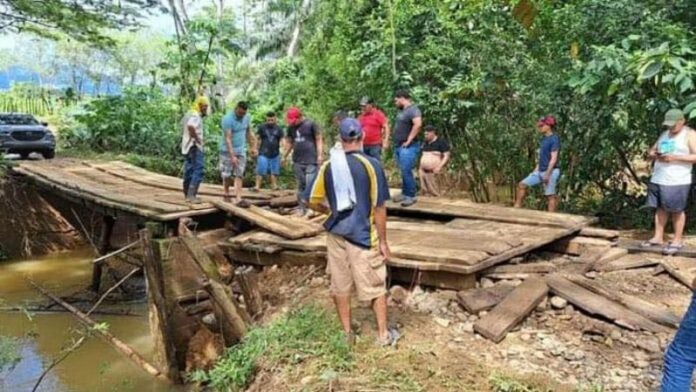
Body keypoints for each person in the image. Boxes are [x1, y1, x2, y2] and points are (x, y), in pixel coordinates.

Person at [304, 117, 400, 347]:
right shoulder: (371, 165)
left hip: (336, 233)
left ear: (340, 139)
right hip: (363, 236)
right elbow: (379, 207)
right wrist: (384, 242)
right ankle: (383, 335)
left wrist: (331, 211)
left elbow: (312, 200)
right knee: (375, 284)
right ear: (362, 137)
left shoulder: (328, 166)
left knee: (340, 284)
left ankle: (347, 334)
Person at [642, 109, 696, 256]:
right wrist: (655, 155)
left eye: (673, 124)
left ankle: (677, 240)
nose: (670, 127)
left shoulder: (689, 135)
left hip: (677, 179)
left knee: (676, 210)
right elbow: (651, 151)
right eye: (668, 125)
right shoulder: (665, 134)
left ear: (682, 121)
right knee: (660, 208)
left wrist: (675, 158)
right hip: (659, 177)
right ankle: (657, 237)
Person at [514, 115, 561, 212]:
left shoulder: (554, 139)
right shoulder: (543, 139)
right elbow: (542, 157)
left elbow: (553, 158)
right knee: (522, 184)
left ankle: (551, 220)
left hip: (551, 171)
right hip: (540, 170)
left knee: (550, 196)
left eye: (542, 126)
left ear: (548, 126)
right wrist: (536, 169)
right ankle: (516, 209)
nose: (540, 127)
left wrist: (548, 174)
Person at [283, 107, 323, 215]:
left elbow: (319, 139)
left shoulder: (311, 124)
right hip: (297, 160)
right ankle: (302, 208)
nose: (293, 123)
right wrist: (284, 156)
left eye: (294, 120)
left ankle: (311, 208)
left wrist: (319, 155)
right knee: (301, 185)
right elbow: (290, 142)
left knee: (310, 185)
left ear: (300, 117)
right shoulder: (291, 128)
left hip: (311, 160)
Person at [220, 101, 257, 205]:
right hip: (226, 150)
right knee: (227, 174)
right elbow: (228, 138)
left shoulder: (247, 117)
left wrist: (253, 146)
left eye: (243, 113)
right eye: (240, 113)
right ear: (236, 109)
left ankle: (238, 198)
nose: (242, 115)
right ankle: (226, 193)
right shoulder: (227, 119)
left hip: (241, 150)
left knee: (239, 173)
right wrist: (232, 156)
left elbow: (249, 132)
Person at [392, 89, 422, 207]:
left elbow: (418, 124)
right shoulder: (402, 111)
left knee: (406, 170)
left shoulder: (413, 109)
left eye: (396, 100)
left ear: (401, 98)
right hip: (399, 146)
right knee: (403, 170)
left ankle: (411, 196)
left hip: (408, 146)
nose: (395, 103)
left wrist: (409, 139)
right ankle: (405, 193)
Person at [181, 95, 209, 203]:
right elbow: (191, 126)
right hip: (194, 146)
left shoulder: (190, 113)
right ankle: (191, 195)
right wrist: (197, 139)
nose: (206, 109)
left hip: (187, 146)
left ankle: (187, 192)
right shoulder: (195, 116)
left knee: (189, 169)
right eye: (205, 106)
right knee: (198, 169)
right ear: (200, 105)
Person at [254, 111, 284, 191]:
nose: (270, 122)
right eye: (268, 120)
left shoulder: (279, 129)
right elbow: (257, 138)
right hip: (263, 153)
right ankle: (257, 186)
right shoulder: (262, 127)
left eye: (272, 120)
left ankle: (274, 186)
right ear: (266, 119)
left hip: (275, 153)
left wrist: (283, 151)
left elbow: (282, 140)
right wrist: (255, 148)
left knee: (274, 171)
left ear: (275, 119)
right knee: (260, 170)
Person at [419, 125, 451, 197]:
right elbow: (423, 155)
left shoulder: (441, 142)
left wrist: (439, 167)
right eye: (425, 134)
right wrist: (420, 168)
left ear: (433, 133)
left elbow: (446, 155)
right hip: (424, 172)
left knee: (436, 193)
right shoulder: (424, 143)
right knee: (426, 193)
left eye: (427, 134)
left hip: (434, 172)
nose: (425, 136)